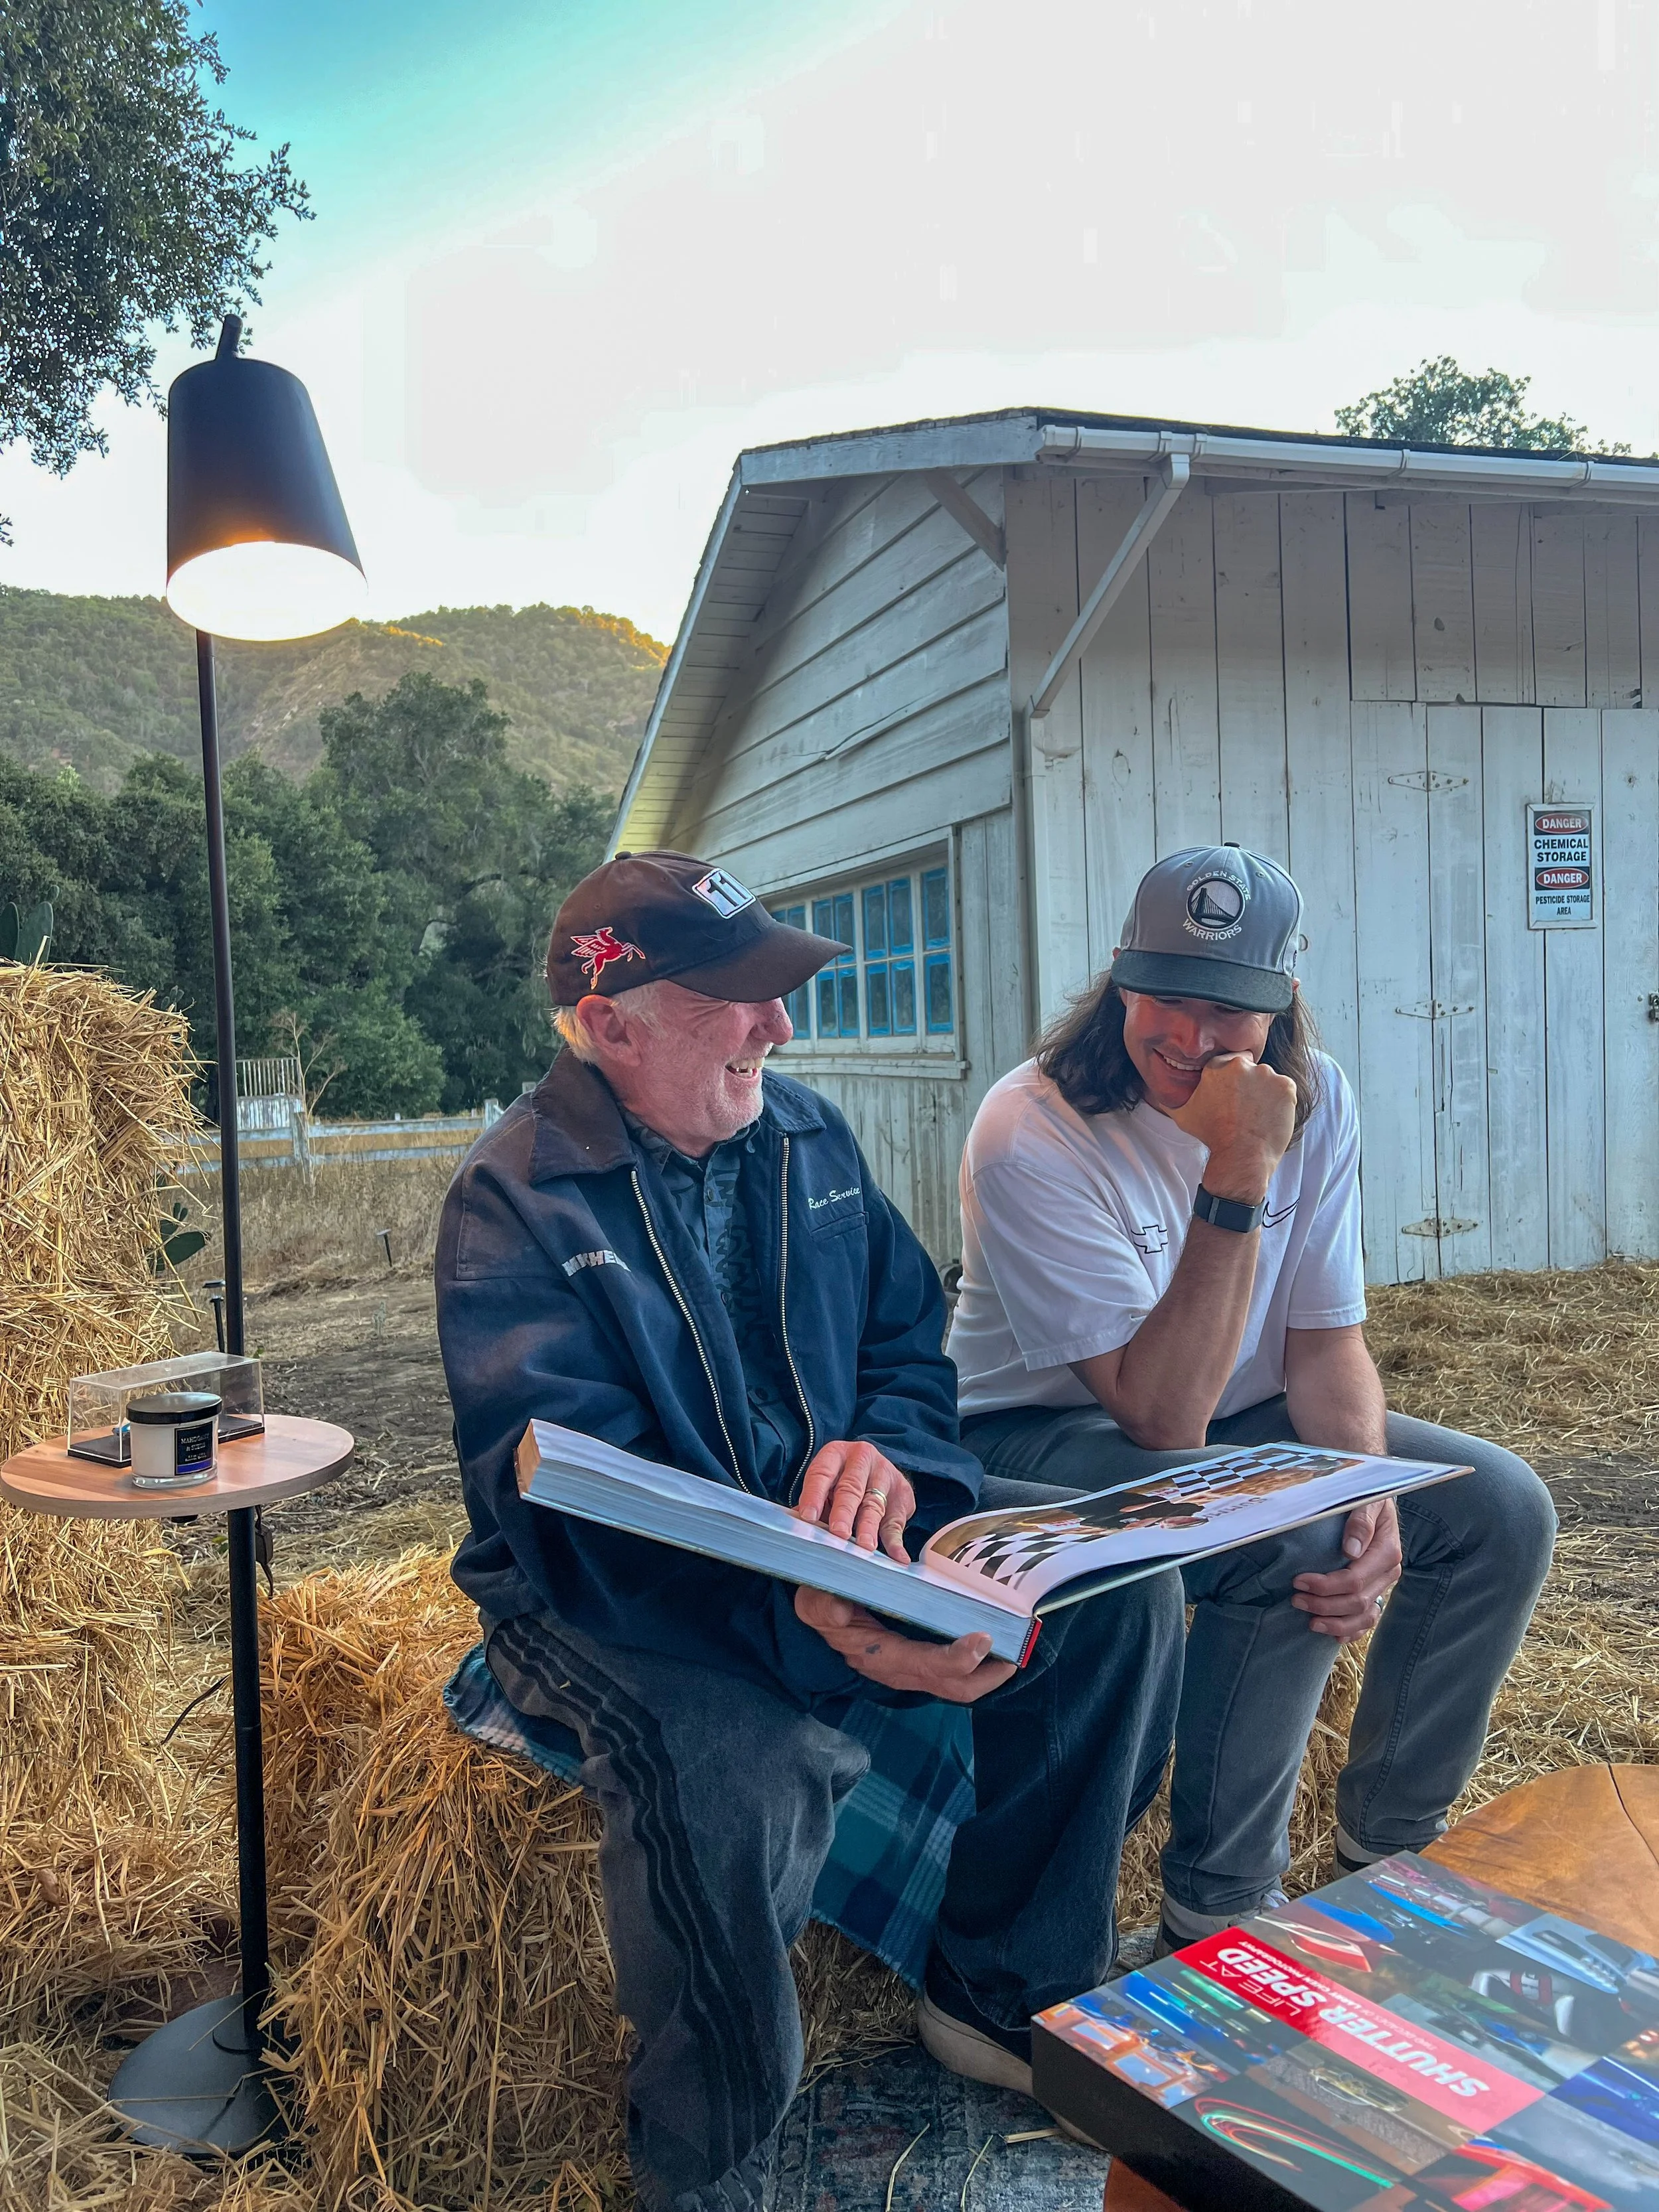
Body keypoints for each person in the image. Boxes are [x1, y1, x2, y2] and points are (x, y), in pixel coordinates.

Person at [434, 849, 1183, 2212]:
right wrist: (812, 1619)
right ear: (613, 1024)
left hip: (831, 1543)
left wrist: (889, 1465)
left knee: (1120, 1596)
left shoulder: (810, 1140)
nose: (782, 1027)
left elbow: (910, 1342)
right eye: (740, 1000)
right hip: (612, 1599)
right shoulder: (515, 1200)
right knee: (741, 1766)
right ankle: (705, 2169)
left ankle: (999, 1986)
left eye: (780, 994)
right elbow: (565, 1511)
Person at [948, 843, 1556, 1956]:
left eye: (1225, 1010)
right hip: (1040, 1430)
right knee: (1286, 1527)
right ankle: (1219, 1912)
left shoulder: (1316, 1099)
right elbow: (1160, 1419)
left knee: (1501, 1509)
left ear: (1277, 1006)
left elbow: (1327, 1344)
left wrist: (1371, 1488)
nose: (1187, 1036)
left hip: (1233, 1408)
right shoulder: (1031, 1128)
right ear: (1119, 983)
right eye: (1163, 997)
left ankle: (1387, 1865)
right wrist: (1237, 1172)